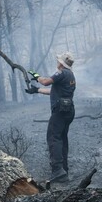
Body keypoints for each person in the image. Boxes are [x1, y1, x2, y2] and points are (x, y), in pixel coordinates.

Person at [26, 52, 76, 183]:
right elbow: (52, 91)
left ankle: (58, 170)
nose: (57, 62)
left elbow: (46, 82)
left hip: (59, 111)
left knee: (53, 138)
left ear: (61, 63)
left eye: (59, 60)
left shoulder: (62, 73)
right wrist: (36, 90)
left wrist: (36, 76)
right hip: (68, 111)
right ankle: (64, 171)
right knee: (62, 139)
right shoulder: (70, 75)